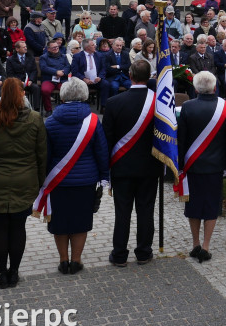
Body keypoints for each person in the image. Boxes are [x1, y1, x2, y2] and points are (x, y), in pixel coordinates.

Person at [0, 78, 46, 288]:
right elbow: (42, 156)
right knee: (18, 227)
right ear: (22, 95)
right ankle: (13, 272)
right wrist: (38, 184)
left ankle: (1, 274)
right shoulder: (35, 119)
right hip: (25, 180)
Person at [40, 77, 109, 274]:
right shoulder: (94, 121)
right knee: (80, 222)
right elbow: (101, 152)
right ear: (85, 95)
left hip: (57, 181)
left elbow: (45, 154)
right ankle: (76, 261)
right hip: (86, 180)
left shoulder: (51, 121)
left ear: (62, 96)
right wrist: (105, 176)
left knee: (59, 222)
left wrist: (41, 181)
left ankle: (63, 261)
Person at [103, 60, 160, 267]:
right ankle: (144, 253)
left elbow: (106, 139)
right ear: (149, 76)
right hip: (150, 166)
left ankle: (119, 255)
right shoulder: (159, 103)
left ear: (130, 75)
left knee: (122, 212)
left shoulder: (114, 103)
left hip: (122, 166)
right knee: (146, 210)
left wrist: (105, 169)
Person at [176, 70, 226, 263]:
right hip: (215, 166)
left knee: (193, 205)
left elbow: (181, 140)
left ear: (195, 87)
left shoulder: (187, 107)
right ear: (215, 87)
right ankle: (206, 246)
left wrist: (180, 165)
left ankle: (195, 244)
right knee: (211, 205)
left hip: (193, 166)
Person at [6, 40, 41, 111]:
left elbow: (34, 71)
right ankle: (18, 109)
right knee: (15, 89)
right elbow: (10, 74)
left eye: (26, 47)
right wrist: (18, 82)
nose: (25, 48)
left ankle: (36, 109)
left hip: (29, 82)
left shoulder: (30, 57)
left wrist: (31, 80)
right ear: (17, 49)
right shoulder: (10, 60)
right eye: (23, 47)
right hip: (17, 83)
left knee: (36, 88)